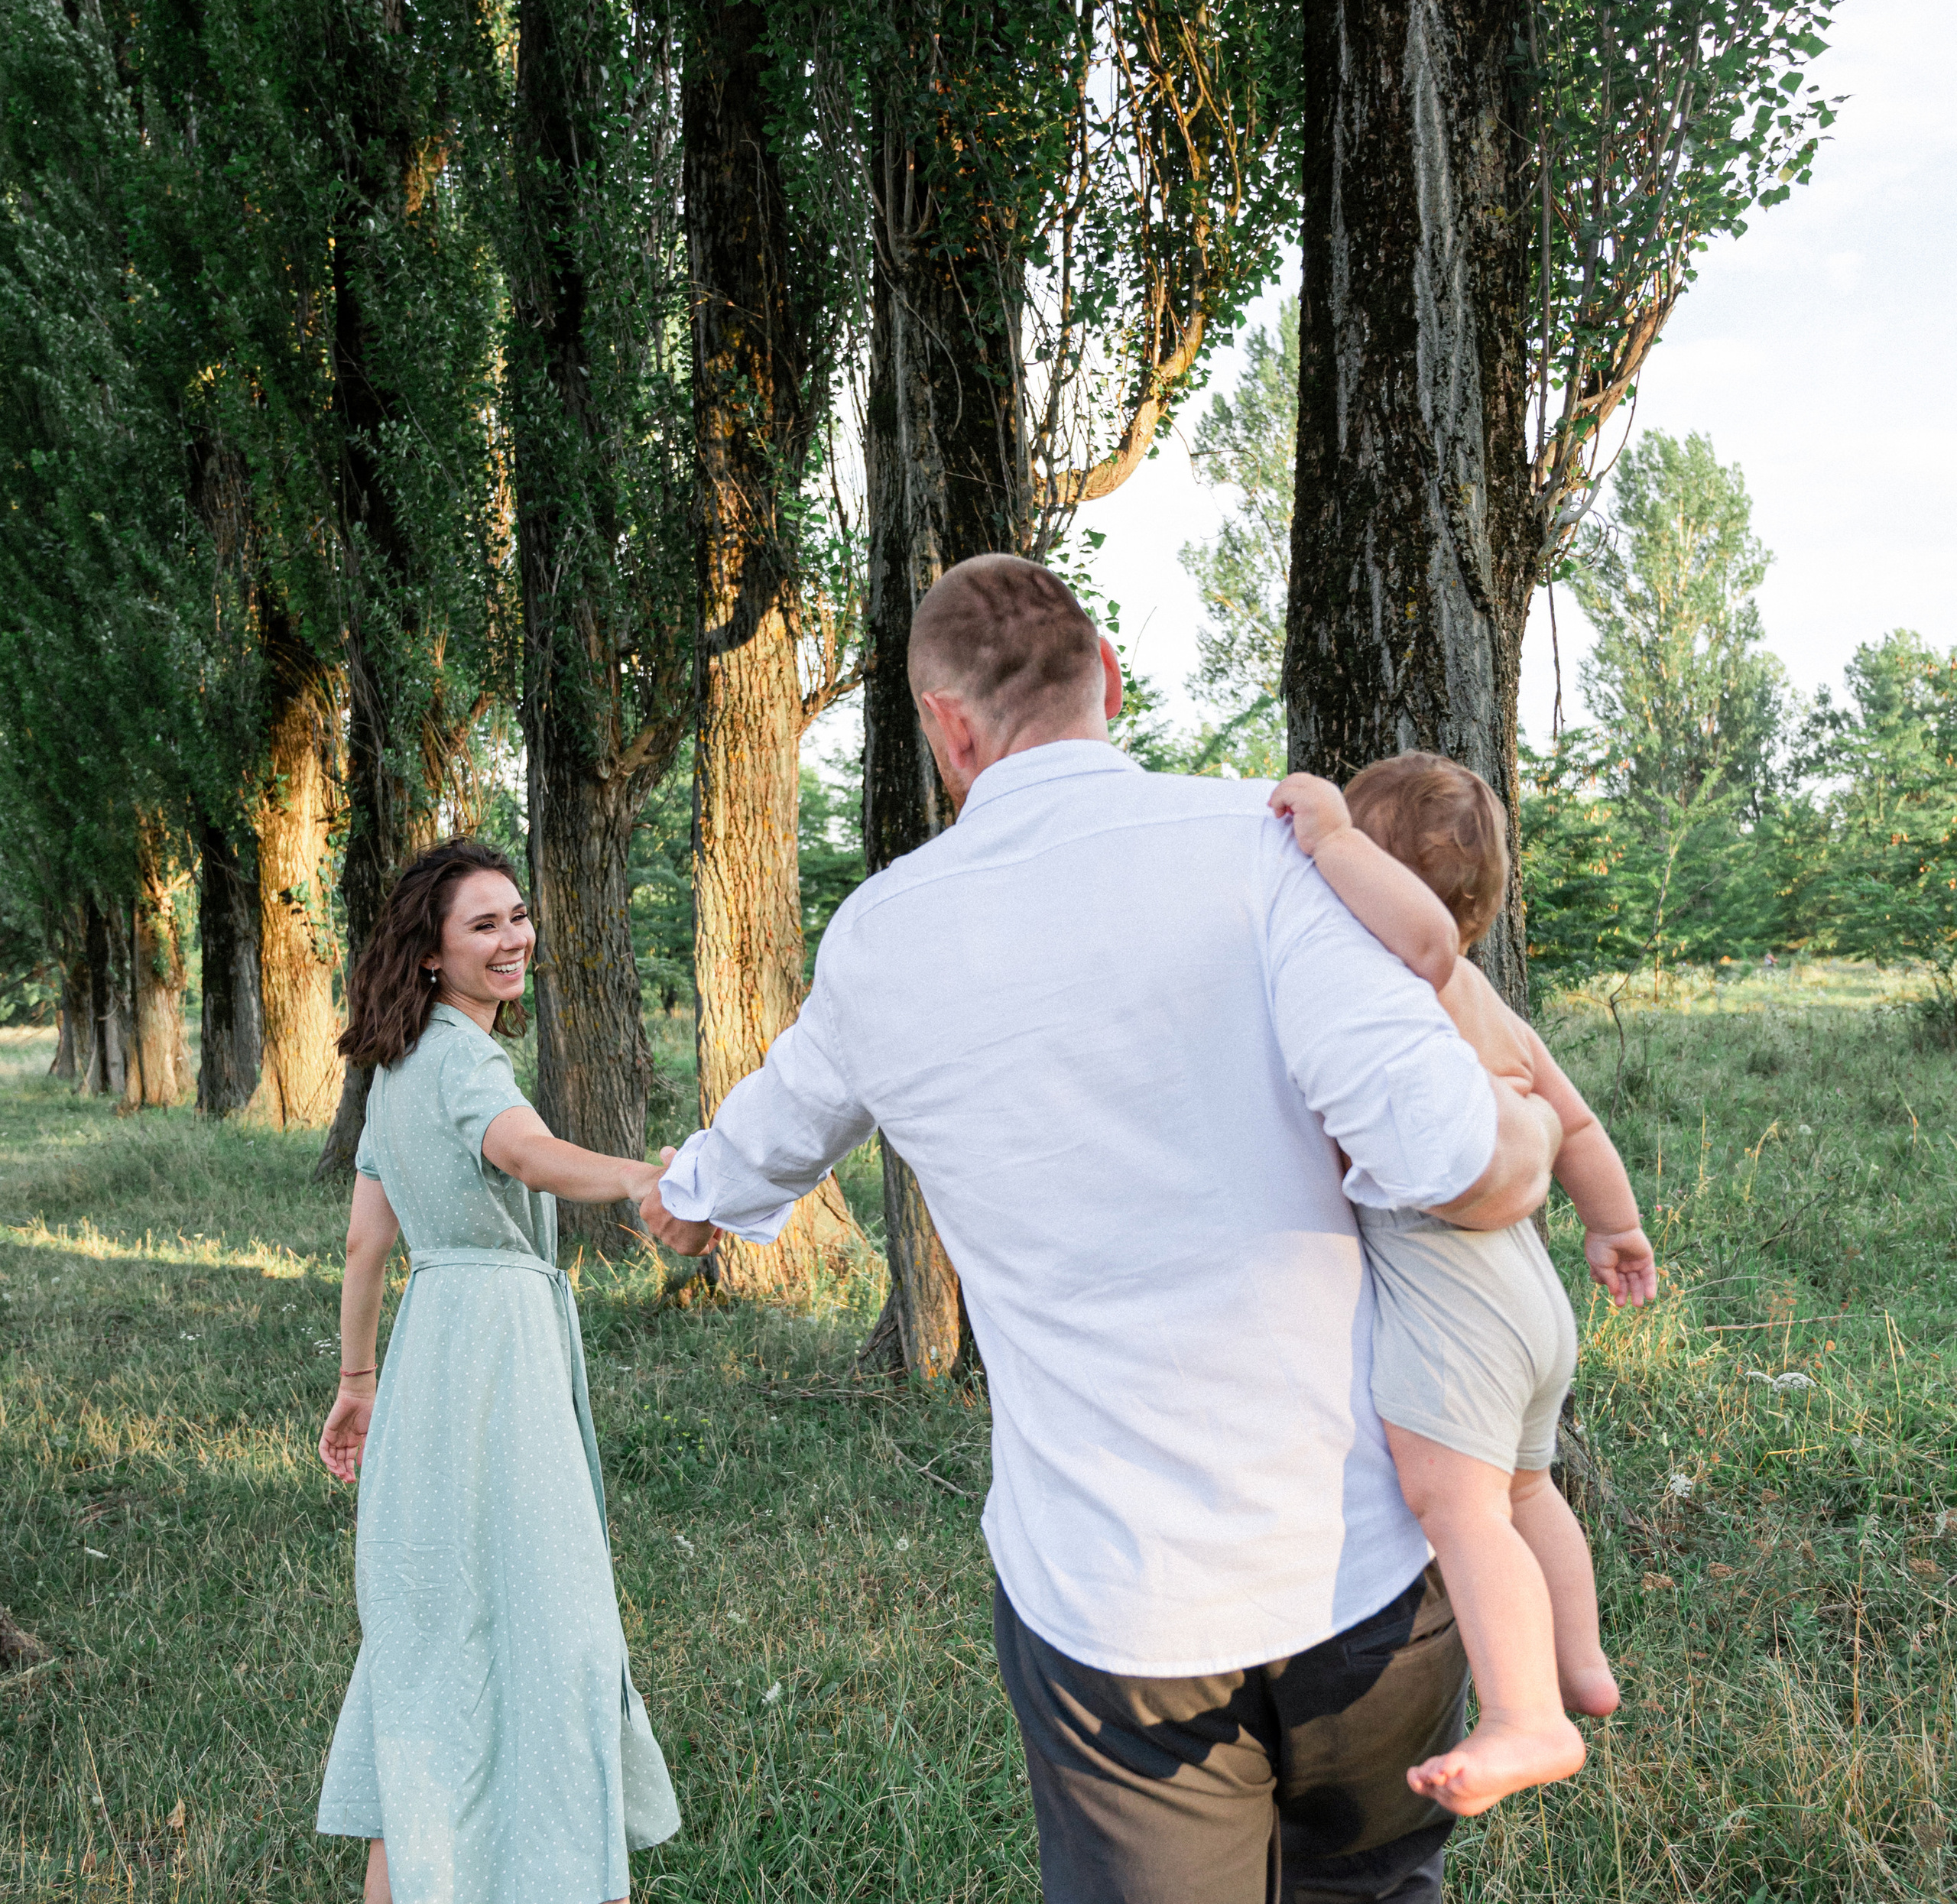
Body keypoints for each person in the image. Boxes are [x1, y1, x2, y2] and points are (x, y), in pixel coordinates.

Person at [639, 555, 1563, 1903]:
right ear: (1109, 685)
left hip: (1118, 1610)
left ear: (946, 730)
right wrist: (1538, 1132)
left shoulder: (881, 939)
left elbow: (764, 1137)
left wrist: (692, 1195)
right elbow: (1458, 1160)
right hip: (1369, 1557)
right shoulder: (1271, 850)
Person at [1269, 759, 1657, 1816]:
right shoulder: (1493, 1006)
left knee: (1462, 1506)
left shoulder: (1414, 978)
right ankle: (1581, 1662)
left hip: (1460, 1302)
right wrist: (1614, 1225)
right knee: (1529, 1493)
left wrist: (1331, 836)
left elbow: (1422, 934)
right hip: (1530, 1297)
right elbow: (1573, 1123)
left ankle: (1527, 1714)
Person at [314, 839, 680, 1904]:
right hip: (498, 1357)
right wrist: (647, 1180)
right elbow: (522, 1153)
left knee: (431, 1639)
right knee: (554, 1629)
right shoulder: (468, 1064)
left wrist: (359, 1379)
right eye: (484, 925)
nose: (514, 937)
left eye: (517, 916)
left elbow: (363, 1245)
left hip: (431, 1355)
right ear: (431, 953)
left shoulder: (391, 1063)